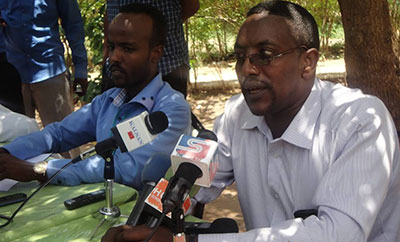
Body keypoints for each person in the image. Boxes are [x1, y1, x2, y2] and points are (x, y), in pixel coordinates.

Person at [101, 1, 400, 241]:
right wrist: (150, 219)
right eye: (240, 57)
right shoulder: (235, 115)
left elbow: (336, 234)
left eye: (264, 55)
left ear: (307, 62)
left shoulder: (361, 121)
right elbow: (192, 184)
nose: (247, 69)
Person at [0, 3, 191, 189]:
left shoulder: (171, 109)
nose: (114, 57)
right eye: (112, 46)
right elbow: (58, 134)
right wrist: (6, 154)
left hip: (141, 217)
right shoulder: (108, 101)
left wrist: (40, 170)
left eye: (127, 48)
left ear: (155, 53)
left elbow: (130, 171)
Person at [0, 0, 88, 127]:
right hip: (12, 78)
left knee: (64, 137)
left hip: (50, 75)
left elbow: (73, 24)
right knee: (18, 141)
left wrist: (81, 70)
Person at [102, 0, 200, 97]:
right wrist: (107, 50)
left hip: (167, 66)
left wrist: (157, 30)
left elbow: (191, 6)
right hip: (115, 71)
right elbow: (110, 8)